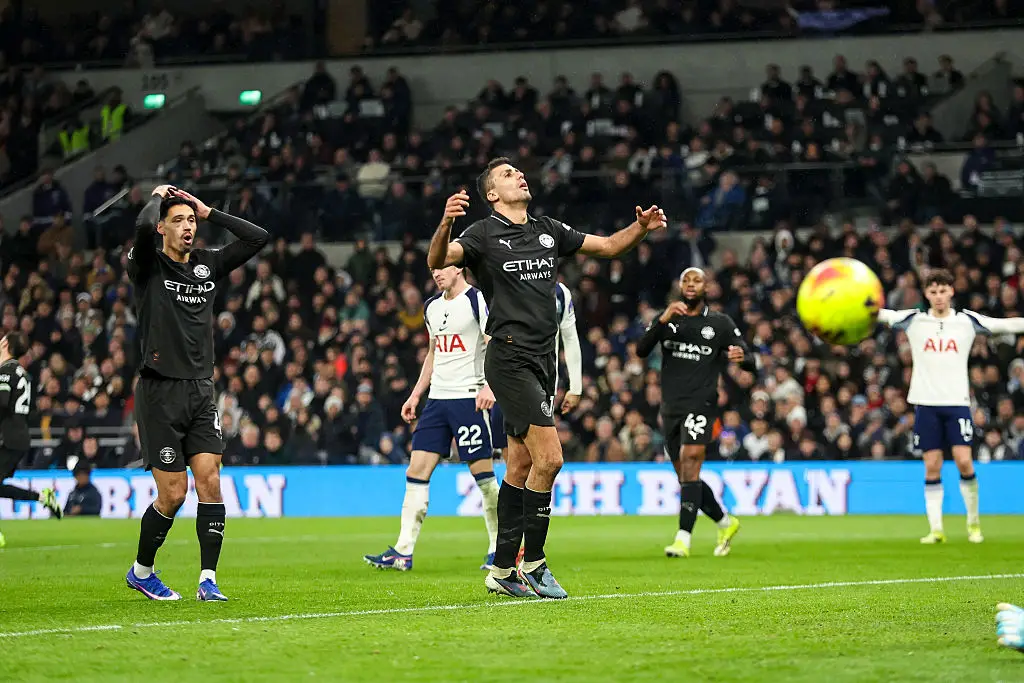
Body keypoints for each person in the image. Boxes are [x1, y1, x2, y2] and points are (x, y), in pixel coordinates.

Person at [427, 156, 666, 599]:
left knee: (520, 465)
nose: (519, 174)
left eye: (518, 171)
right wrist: (445, 223)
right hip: (509, 358)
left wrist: (641, 228)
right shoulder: (481, 234)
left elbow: (609, 246)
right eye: (507, 174)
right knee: (551, 459)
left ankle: (502, 569)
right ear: (492, 194)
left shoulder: (548, 230)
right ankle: (534, 563)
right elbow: (438, 258)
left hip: (543, 361)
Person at [124, 185, 269, 601]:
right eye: (179, 221)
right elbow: (140, 228)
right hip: (159, 393)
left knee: (211, 481)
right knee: (173, 494)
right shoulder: (148, 265)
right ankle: (142, 572)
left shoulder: (207, 264)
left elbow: (258, 238)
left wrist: (210, 212)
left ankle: (208, 580)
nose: (188, 227)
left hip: (201, 391)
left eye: (191, 221)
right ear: (162, 228)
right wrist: (156, 197)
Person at [363, 265, 502, 571]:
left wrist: (491, 386)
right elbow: (433, 353)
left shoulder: (476, 300)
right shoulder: (432, 307)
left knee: (483, 477)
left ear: (460, 267)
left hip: (469, 398)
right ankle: (402, 552)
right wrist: (415, 395)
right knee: (416, 470)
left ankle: (499, 548)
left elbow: (494, 344)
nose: (437, 273)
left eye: (442, 267)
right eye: (432, 269)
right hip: (437, 400)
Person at [879, 268, 1024, 545]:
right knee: (931, 466)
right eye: (933, 291)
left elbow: (1004, 325)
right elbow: (882, 315)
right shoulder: (914, 320)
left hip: (957, 403)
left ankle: (973, 523)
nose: (938, 296)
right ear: (926, 294)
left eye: (943, 291)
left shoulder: (967, 321)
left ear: (951, 292)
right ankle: (936, 530)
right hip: (926, 404)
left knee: (964, 461)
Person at [636, 268, 749, 558]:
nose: (690, 284)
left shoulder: (719, 323)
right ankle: (725, 522)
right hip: (671, 408)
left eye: (696, 280)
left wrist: (742, 357)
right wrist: (661, 320)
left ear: (706, 287)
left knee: (690, 460)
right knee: (687, 476)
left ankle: (682, 539)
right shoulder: (667, 319)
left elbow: (748, 358)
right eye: (685, 279)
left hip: (702, 403)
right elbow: (641, 350)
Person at [0, 332, 63, 548]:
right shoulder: (22, 373)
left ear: (6, 345)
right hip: (17, 436)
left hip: (7, 438)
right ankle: (42, 497)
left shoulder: (5, 371)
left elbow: (2, 403)